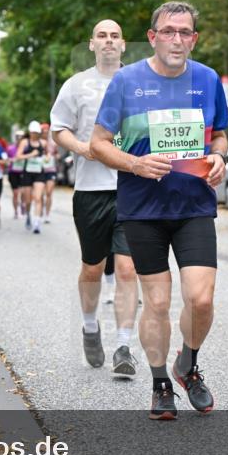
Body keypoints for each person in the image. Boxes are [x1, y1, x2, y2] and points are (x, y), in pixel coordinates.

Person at [91, 3, 228, 419]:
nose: (177, 39)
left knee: (201, 299)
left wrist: (220, 157)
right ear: (152, 37)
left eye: (185, 32)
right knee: (157, 302)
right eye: (168, 31)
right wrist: (135, 163)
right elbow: (99, 142)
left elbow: (219, 135)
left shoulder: (207, 79)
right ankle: (160, 384)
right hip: (143, 208)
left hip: (194, 204)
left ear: (194, 39)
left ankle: (187, 363)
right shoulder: (126, 82)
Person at [52, 19, 141, 378]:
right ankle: (90, 326)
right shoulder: (77, 85)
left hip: (133, 188)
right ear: (92, 44)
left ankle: (124, 345)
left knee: (127, 267)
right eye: (102, 36)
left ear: (123, 45)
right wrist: (82, 148)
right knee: (92, 266)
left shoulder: (139, 83)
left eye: (114, 36)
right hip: (91, 191)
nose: (108, 41)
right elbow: (59, 128)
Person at [16, 121, 47, 234]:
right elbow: (18, 156)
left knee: (38, 198)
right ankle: (28, 214)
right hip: (27, 173)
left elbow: (47, 155)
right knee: (28, 200)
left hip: (39, 173)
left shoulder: (43, 143)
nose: (35, 135)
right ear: (30, 132)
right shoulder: (25, 142)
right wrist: (30, 155)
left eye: (37, 133)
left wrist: (47, 158)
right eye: (33, 132)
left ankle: (37, 222)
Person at [41, 122, 58, 223]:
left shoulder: (53, 143)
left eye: (47, 131)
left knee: (49, 192)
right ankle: (41, 209)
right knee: (41, 193)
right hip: (40, 171)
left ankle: (47, 214)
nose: (45, 133)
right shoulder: (38, 143)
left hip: (51, 170)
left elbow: (56, 154)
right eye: (43, 131)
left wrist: (54, 156)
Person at [7, 130, 26, 223]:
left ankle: (23, 205)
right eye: (18, 137)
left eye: (21, 138)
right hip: (13, 172)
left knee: (23, 192)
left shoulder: (26, 148)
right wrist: (12, 160)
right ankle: (15, 211)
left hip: (23, 172)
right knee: (15, 193)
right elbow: (5, 160)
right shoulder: (10, 148)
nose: (19, 139)